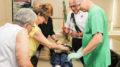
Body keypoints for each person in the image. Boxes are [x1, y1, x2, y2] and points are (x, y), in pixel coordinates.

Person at [67, 0, 111, 67]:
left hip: (97, 58)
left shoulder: (95, 12)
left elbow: (98, 38)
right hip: (93, 55)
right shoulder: (92, 12)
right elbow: (91, 35)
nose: (78, 8)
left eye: (79, 5)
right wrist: (83, 47)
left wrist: (81, 53)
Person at [62, 0, 88, 65]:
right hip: (74, 41)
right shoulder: (70, 14)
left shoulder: (86, 14)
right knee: (76, 62)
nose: (72, 8)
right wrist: (65, 31)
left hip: (84, 42)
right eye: (70, 7)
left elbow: (90, 32)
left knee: (83, 62)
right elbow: (67, 26)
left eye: (74, 6)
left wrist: (78, 34)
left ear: (78, 4)